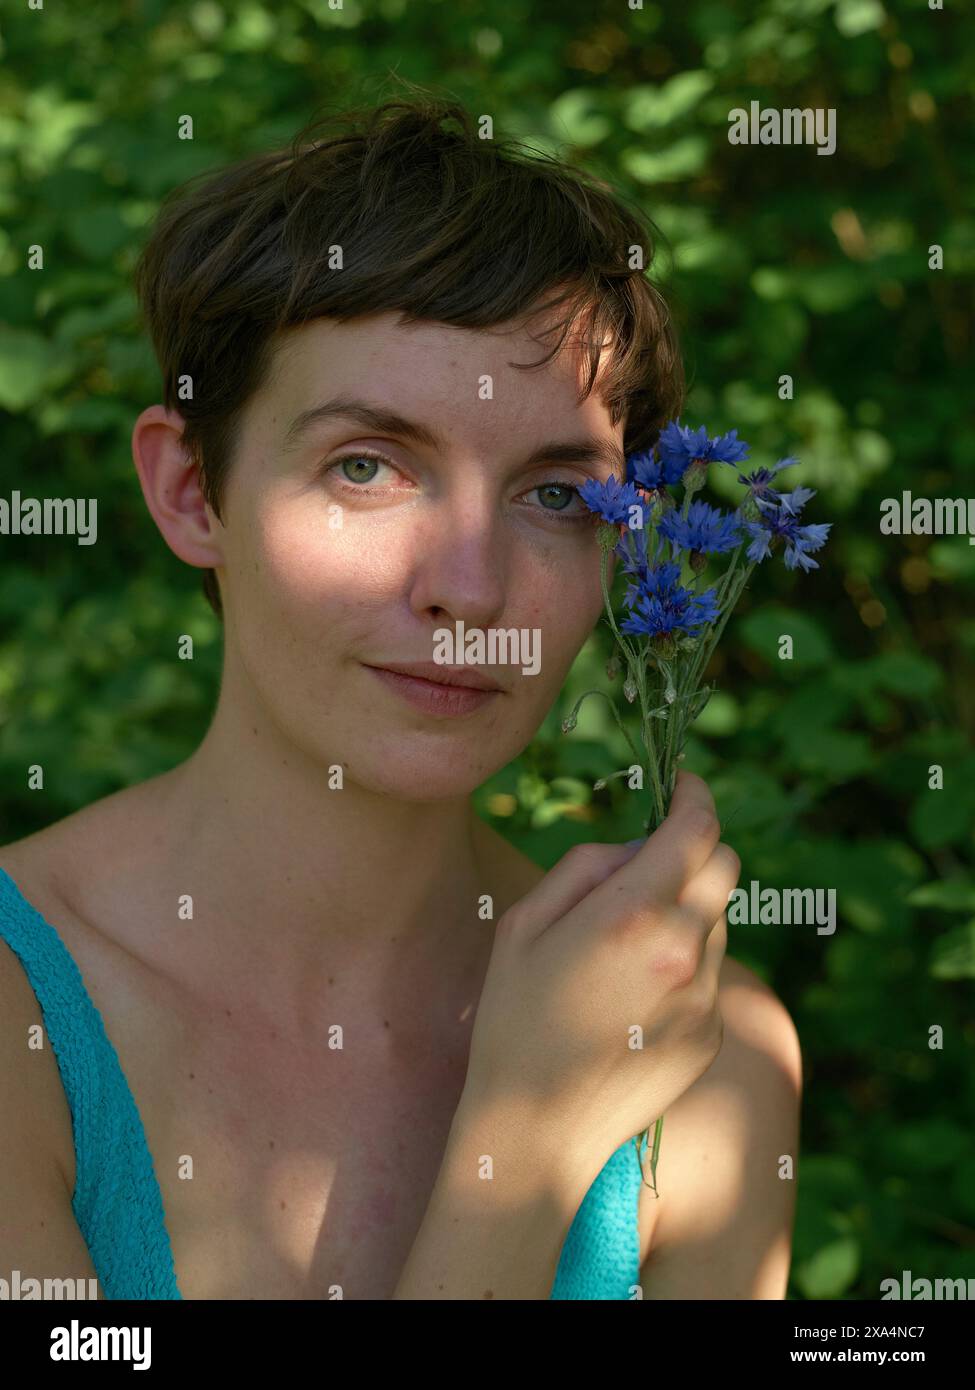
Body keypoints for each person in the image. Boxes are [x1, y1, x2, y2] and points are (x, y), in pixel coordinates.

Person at [0, 90, 801, 1300]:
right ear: (190, 492)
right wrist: (519, 1158)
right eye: (367, 466)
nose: (469, 588)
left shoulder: (703, 1054)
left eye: (554, 495)